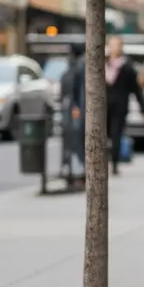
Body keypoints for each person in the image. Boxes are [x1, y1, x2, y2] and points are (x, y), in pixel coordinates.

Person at [105, 35, 144, 177]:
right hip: (103, 106)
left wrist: (142, 106)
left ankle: (114, 163)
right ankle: (103, 162)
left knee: (116, 134)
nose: (114, 48)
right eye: (111, 45)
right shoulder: (103, 63)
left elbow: (135, 88)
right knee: (104, 134)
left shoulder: (127, 66)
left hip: (120, 105)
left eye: (116, 45)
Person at [59, 42, 87, 184]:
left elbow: (74, 89)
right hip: (77, 109)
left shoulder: (78, 66)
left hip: (76, 110)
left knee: (75, 139)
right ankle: (74, 168)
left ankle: (75, 169)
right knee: (75, 139)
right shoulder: (79, 65)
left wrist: (77, 108)